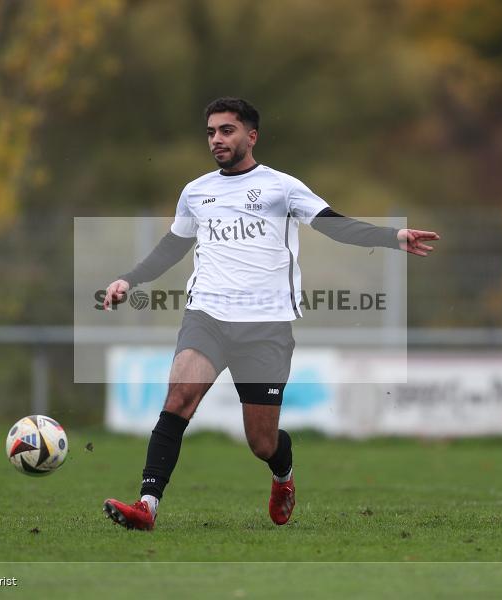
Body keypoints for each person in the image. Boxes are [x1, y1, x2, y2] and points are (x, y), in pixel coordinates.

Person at [102, 97, 439, 530]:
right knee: (179, 400)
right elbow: (173, 245)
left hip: (265, 328)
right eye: (211, 132)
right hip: (207, 316)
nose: (217, 140)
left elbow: (332, 223)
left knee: (261, 442)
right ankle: (147, 506)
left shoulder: (281, 186)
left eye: (227, 130)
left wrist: (393, 236)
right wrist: (129, 279)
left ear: (251, 135)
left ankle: (284, 474)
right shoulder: (196, 192)